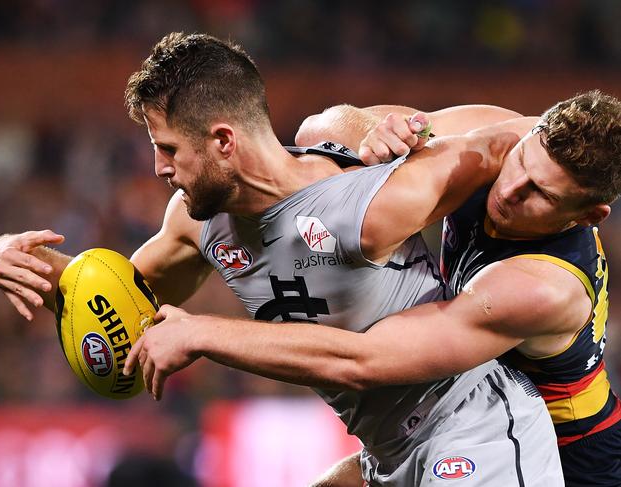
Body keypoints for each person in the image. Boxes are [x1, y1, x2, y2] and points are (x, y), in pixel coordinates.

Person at [0, 33, 562, 486]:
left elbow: (511, 139)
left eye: (168, 149)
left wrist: (419, 126)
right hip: (386, 456)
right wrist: (21, 259)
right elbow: (120, 300)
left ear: (223, 141)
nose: (159, 168)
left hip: (473, 432)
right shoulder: (196, 222)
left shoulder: (366, 200)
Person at [121, 90, 621, 486]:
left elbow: (366, 360)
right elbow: (330, 125)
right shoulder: (508, 140)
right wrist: (381, 133)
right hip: (425, 427)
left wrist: (204, 334)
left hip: (561, 451)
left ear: (588, 215)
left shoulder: (542, 287)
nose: (511, 189)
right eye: (522, 163)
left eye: (540, 193)